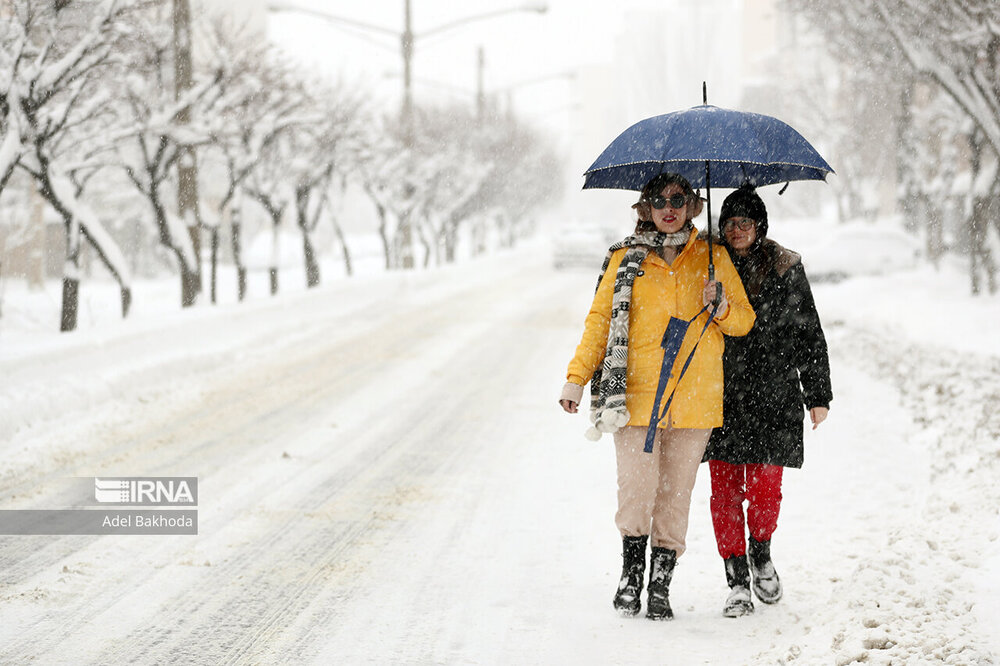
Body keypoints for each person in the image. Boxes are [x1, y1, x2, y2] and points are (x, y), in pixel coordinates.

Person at [558, 173, 755, 621]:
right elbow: (600, 321)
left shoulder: (713, 258)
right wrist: (576, 377)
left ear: (692, 205)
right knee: (637, 490)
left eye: (679, 199)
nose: (670, 208)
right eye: (659, 200)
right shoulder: (625, 259)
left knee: (674, 497)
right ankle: (630, 578)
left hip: (695, 399)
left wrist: (720, 305)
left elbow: (743, 320)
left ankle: (661, 584)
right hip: (636, 398)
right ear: (645, 207)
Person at [704, 185, 832, 618]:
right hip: (719, 394)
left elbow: (809, 333)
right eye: (729, 223)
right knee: (723, 491)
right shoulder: (709, 265)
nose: (736, 230)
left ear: (760, 226)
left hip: (772, 393)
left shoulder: (785, 267)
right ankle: (736, 577)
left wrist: (817, 394)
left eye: (745, 222)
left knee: (764, 489)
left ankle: (761, 552)